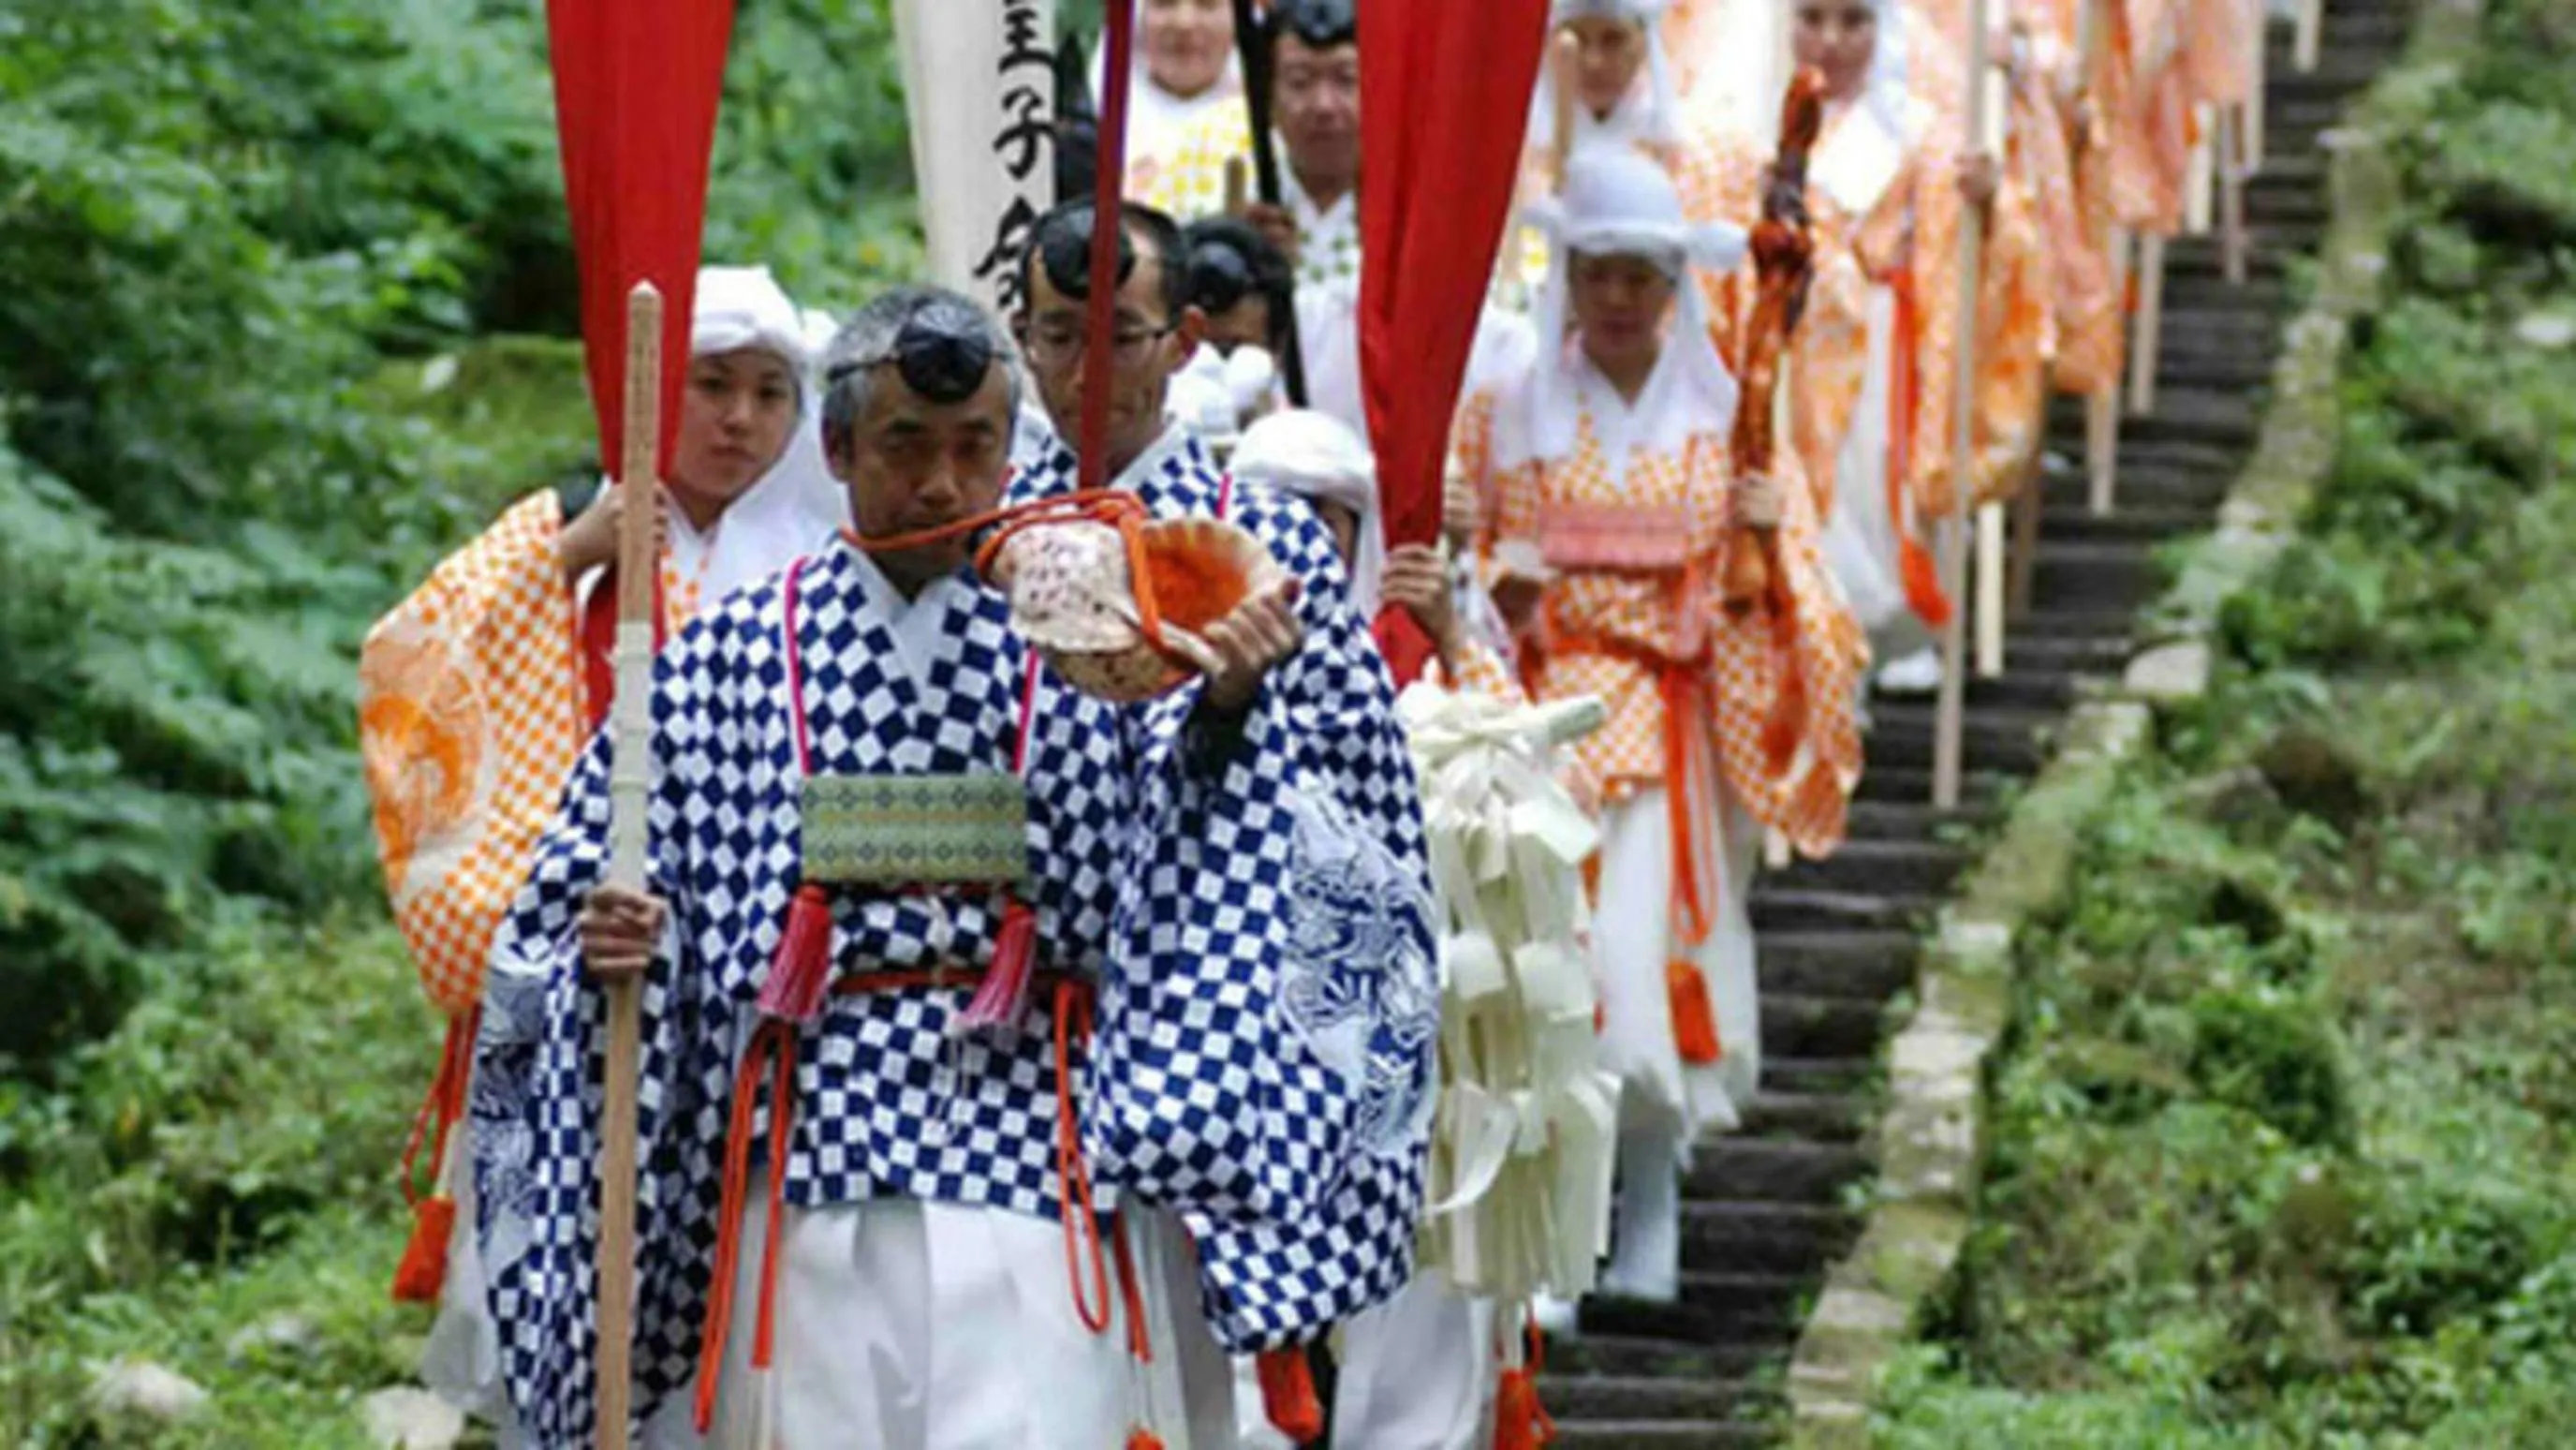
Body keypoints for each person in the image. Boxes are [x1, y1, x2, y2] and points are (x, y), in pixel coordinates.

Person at [462, 286, 1440, 1448]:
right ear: (836, 451)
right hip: (814, 1133)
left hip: (1039, 1136)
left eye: (975, 447)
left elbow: (1186, 864)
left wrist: (1225, 712)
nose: (941, 484)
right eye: (904, 447)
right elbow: (578, 898)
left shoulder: (1103, 653)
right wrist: (612, 939)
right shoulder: (725, 662)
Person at [360, 264, 843, 1356]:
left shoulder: (822, 560)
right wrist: (568, 554)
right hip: (591, 962)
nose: (740, 418)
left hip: (752, 985)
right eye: (712, 384)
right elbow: (409, 666)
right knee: (568, 1312)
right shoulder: (569, 545)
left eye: (772, 393)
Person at [1457, 146, 1864, 1307]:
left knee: (1636, 982)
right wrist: (1502, 588)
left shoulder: (1727, 421)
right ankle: (1557, 1244)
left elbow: (1788, 591)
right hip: (1543, 726)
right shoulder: (1510, 412)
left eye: (1643, 276)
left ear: (1675, 284)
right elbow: (1466, 574)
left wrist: (1770, 539)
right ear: (1570, 280)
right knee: (1549, 983)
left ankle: (1654, 1210)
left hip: (1673, 725)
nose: (1623, 299)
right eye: (1600, 273)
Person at [1773, 0, 2041, 695]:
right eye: (1813, 19)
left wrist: (1986, 205)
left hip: (1883, 332)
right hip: (1787, 339)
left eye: (1852, 21)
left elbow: (1998, 242)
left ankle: (1891, 630)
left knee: (1875, 478)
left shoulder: (1920, 129)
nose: (1830, 41)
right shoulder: (1756, 125)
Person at [1141, 0, 1537, 440]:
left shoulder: (1429, 202)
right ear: (1266, 96)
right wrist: (1236, 261)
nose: (1323, 105)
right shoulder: (1201, 173)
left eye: (1347, 80)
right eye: (1299, 82)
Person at [1105, 0, 1255, 200]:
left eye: (1207, 5)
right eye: (1164, 3)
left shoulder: (1272, 128)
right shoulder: (1091, 121)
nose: (1184, 23)